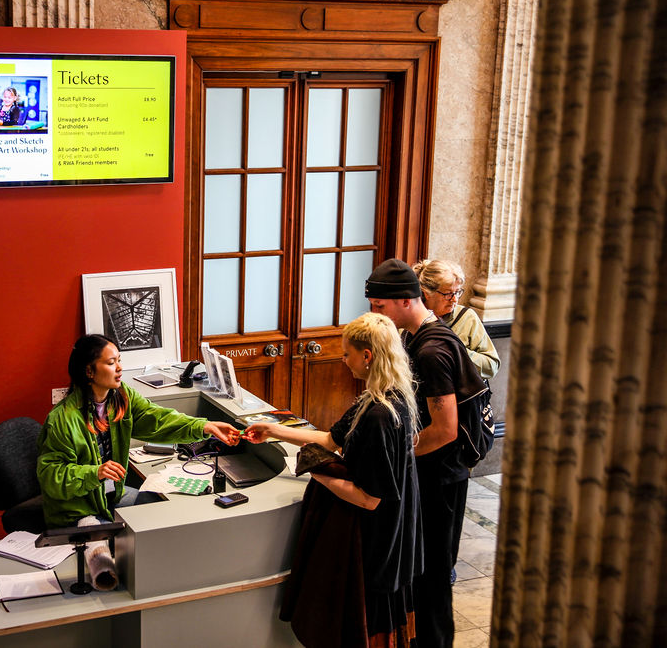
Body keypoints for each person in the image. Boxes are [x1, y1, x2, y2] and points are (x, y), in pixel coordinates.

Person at [244, 313, 423, 647]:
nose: (344, 360)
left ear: (367, 356)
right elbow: (330, 440)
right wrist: (271, 431)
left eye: (348, 354)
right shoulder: (384, 397)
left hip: (375, 542)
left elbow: (369, 498)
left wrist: (318, 471)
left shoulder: (380, 416)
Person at [365, 258, 488, 648]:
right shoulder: (419, 336)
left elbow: (446, 429)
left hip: (442, 476)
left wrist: (400, 456)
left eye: (379, 306)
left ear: (404, 300)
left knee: (434, 574)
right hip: (434, 471)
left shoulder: (432, 350)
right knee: (421, 572)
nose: (375, 313)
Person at [36, 334, 241, 529]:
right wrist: (94, 473)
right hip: (77, 510)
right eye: (110, 363)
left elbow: (157, 419)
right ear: (89, 371)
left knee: (163, 512)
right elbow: (50, 476)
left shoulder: (121, 396)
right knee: (120, 549)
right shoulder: (62, 420)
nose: (119, 368)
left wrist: (204, 426)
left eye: (119, 360)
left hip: (111, 496)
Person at [412, 259, 500, 379]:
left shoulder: (467, 317)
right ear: (427, 293)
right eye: (448, 294)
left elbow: (491, 366)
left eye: (457, 292)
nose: (455, 299)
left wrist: (456, 351)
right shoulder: (411, 319)